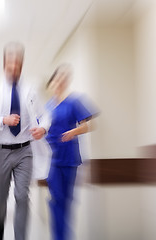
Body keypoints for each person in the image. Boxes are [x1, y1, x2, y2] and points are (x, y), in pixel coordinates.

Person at [0, 42, 51, 240]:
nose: (15, 68)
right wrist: (1, 120)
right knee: (1, 197)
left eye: (18, 64)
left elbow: (45, 116)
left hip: (24, 151)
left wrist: (43, 128)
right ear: (4, 64)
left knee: (22, 196)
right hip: (0, 151)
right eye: (11, 63)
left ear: (21, 65)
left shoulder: (31, 90)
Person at [45, 64, 96, 240]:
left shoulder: (74, 101)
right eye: (58, 77)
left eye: (65, 77)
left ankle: (64, 236)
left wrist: (73, 132)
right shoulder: (46, 107)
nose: (60, 81)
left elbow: (89, 125)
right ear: (51, 82)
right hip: (51, 160)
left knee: (66, 202)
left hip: (70, 159)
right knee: (56, 200)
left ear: (68, 81)